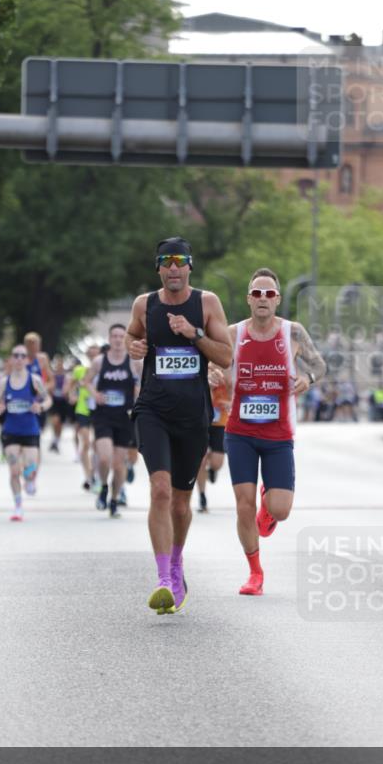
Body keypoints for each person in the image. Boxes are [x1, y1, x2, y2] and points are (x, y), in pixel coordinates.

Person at [126, 236, 232, 615]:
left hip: (193, 415)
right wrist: (133, 346)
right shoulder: (145, 304)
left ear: (190, 266)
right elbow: (132, 335)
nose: (173, 267)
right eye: (166, 261)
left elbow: (226, 356)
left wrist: (194, 333)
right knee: (159, 491)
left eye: (180, 260)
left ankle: (176, 563)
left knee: (182, 505)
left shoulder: (206, 303)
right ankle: (163, 580)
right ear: (158, 267)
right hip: (153, 409)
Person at [225, 268, 326, 596]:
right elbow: (218, 365)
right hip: (239, 431)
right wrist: (215, 374)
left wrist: (307, 380)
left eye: (269, 294)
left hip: (278, 434)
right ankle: (255, 572)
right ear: (249, 299)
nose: (263, 299)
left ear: (278, 299)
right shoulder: (234, 333)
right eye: (257, 294)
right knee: (243, 504)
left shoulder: (293, 333)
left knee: (280, 509)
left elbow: (319, 366)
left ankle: (269, 504)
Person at [85, 324, 142, 519]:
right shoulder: (100, 362)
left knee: (119, 465)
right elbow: (85, 381)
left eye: (121, 336)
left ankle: (114, 499)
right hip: (103, 416)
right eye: (114, 336)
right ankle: (102, 486)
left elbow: (146, 383)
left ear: (125, 339)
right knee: (103, 457)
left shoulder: (134, 362)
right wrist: (95, 394)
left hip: (124, 417)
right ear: (109, 339)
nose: (118, 340)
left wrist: (138, 392)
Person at [0, 344, 51, 521]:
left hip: (30, 430)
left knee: (30, 468)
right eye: (15, 355)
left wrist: (40, 406)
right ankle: (18, 506)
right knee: (14, 471)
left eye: (22, 356)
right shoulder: (4, 382)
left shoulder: (34, 380)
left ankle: (31, 480)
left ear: (27, 360)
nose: (18, 359)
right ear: (11, 359)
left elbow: (48, 399)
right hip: (10, 431)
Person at [196, 363, 231, 513]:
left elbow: (236, 393)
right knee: (201, 460)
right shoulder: (204, 368)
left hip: (220, 422)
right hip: (202, 421)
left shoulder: (229, 371)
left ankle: (213, 469)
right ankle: (202, 496)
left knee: (217, 462)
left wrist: (229, 404)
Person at [69, 350, 97, 490]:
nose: (93, 357)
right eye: (91, 355)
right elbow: (70, 386)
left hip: (98, 410)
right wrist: (72, 395)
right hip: (82, 409)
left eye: (95, 355)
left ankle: (94, 473)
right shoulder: (79, 370)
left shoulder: (102, 368)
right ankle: (87, 476)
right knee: (85, 443)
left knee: (96, 445)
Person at [24, 331, 54, 434]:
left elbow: (52, 381)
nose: (35, 348)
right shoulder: (20, 360)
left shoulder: (43, 358)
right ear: (27, 346)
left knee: (39, 430)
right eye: (32, 345)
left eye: (37, 344)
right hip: (24, 399)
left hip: (39, 399)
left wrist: (43, 389)